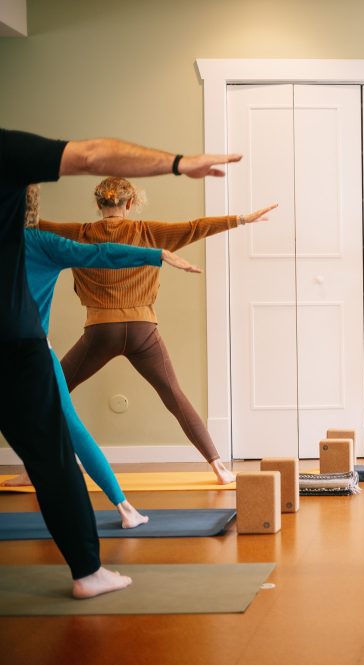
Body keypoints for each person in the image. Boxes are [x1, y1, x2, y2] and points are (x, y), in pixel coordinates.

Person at [0, 128, 240, 598]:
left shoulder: (59, 232)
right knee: (62, 443)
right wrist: (180, 169)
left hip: (86, 333)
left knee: (62, 418)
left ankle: (125, 498)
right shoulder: (42, 234)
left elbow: (99, 242)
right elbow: (97, 177)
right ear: (127, 204)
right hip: (32, 343)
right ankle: (97, 558)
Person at [36, 179, 277, 485]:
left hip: (99, 331)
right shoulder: (149, 232)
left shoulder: (77, 233)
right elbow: (196, 227)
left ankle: (34, 470)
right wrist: (242, 219)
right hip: (143, 331)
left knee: (50, 394)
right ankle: (219, 467)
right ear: (129, 204)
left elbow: (32, 223)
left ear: (99, 205)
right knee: (173, 395)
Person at [1, 185, 203, 529]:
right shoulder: (43, 244)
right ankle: (125, 509)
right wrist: (157, 255)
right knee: (71, 428)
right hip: (33, 353)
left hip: (21, 354)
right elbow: (101, 254)